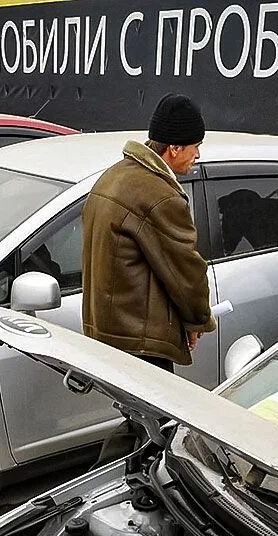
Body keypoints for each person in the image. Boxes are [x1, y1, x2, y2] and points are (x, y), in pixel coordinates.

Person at [81, 92, 216, 373]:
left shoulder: (114, 176)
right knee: (154, 418)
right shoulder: (160, 196)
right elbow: (185, 271)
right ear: (175, 148)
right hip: (141, 344)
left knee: (133, 416)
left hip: (108, 335)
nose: (198, 154)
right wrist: (197, 321)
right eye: (196, 145)